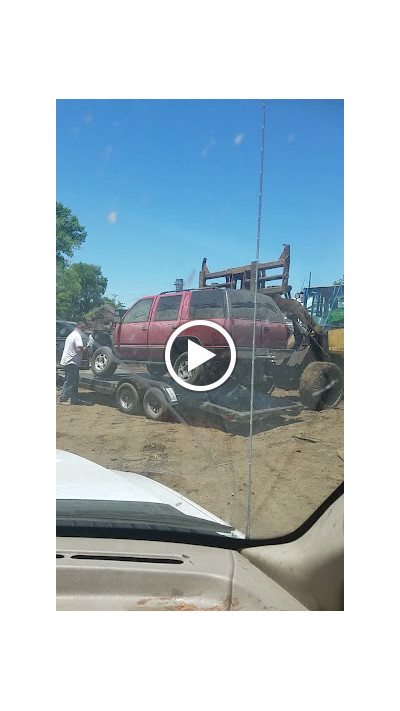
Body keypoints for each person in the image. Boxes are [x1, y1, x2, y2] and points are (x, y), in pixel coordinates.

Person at [59, 322, 88, 405]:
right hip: (72, 362)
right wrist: (85, 349)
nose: (84, 331)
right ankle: (63, 399)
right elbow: (78, 349)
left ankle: (74, 399)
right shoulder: (77, 336)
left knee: (74, 381)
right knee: (70, 381)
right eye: (84, 328)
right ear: (80, 327)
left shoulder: (71, 335)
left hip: (68, 361)